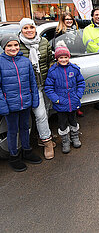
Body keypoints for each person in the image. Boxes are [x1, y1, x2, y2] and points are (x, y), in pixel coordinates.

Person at [0, 34, 42, 172]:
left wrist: (34, 99)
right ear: (4, 47)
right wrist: (3, 105)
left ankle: (27, 151)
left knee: (25, 127)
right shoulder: (0, 62)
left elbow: (32, 82)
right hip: (10, 105)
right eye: (9, 45)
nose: (13, 48)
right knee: (13, 131)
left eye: (16, 45)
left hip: (25, 102)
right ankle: (14, 157)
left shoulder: (25, 61)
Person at [19, 18, 55, 160]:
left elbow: (49, 61)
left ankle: (41, 137)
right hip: (31, 87)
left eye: (31, 27)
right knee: (40, 115)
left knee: (46, 111)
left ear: (35, 28)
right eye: (25, 28)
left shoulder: (43, 42)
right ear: (21, 30)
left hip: (45, 83)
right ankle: (47, 142)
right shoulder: (17, 45)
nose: (29, 30)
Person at [45, 42, 86, 154]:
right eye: (61, 57)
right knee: (62, 123)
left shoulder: (74, 69)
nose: (63, 60)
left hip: (73, 101)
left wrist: (78, 95)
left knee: (73, 120)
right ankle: (65, 141)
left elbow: (81, 83)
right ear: (57, 58)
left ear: (69, 57)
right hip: (60, 103)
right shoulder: (53, 71)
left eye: (65, 57)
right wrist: (56, 99)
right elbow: (48, 88)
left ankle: (75, 137)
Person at [54, 12, 90, 117]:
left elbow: (89, 23)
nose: (69, 21)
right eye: (67, 19)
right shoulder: (59, 32)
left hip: (78, 59)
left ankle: (77, 106)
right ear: (63, 21)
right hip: (65, 62)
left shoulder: (76, 31)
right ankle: (69, 107)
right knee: (67, 86)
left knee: (76, 84)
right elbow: (57, 48)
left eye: (71, 19)